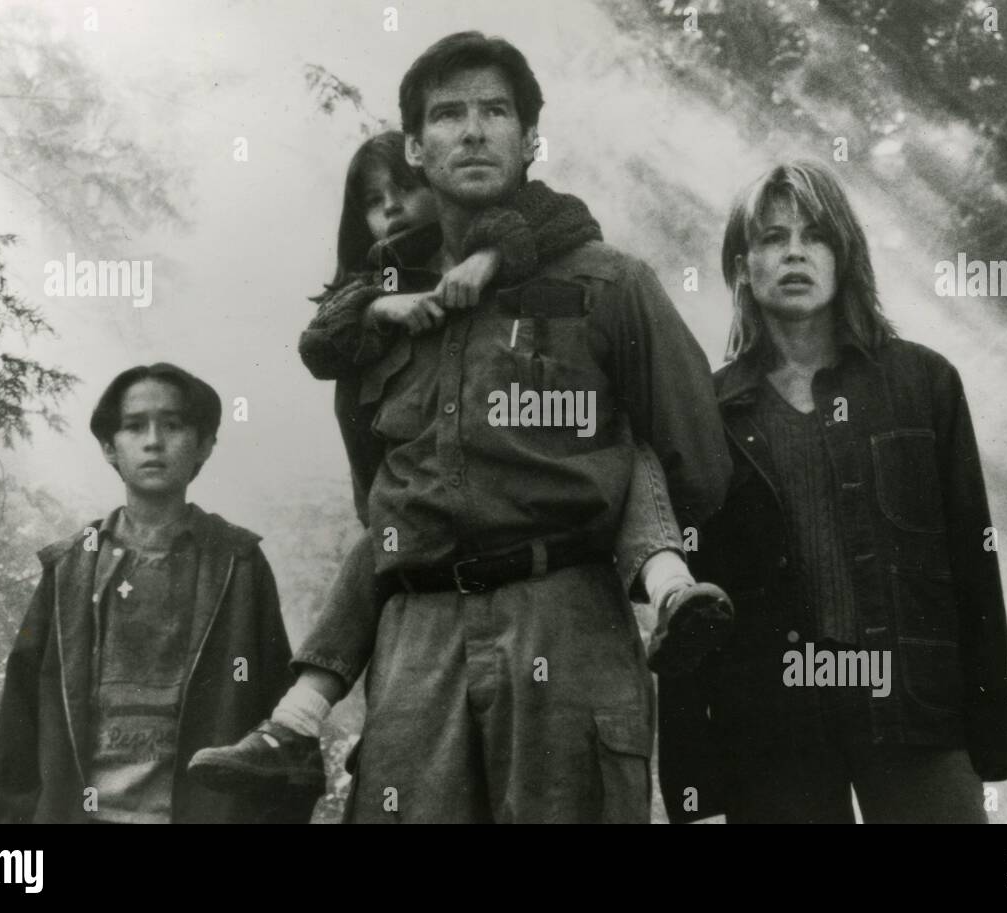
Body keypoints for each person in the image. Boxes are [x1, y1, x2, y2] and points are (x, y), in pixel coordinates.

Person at [186, 128, 729, 795]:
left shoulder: (577, 273)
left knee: (622, 442)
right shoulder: (368, 329)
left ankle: (671, 583)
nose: (392, 209)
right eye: (372, 200)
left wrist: (488, 259)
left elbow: (559, 219)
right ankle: (296, 720)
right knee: (393, 514)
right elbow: (365, 465)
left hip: (561, 599)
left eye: (403, 190)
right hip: (424, 572)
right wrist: (385, 307)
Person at [658, 161, 1007, 824]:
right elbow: (692, 612)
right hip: (773, 729)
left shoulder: (924, 383)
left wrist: (988, 741)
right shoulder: (709, 412)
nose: (794, 250)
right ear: (741, 265)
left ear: (844, 253)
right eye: (771, 237)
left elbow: (974, 565)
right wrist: (694, 783)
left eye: (814, 234)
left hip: (913, 710)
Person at [0, 364, 315, 823]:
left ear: (203, 445)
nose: (154, 440)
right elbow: (20, 730)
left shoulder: (237, 564)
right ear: (109, 448)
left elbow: (276, 719)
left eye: (174, 425)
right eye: (134, 426)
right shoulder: (68, 568)